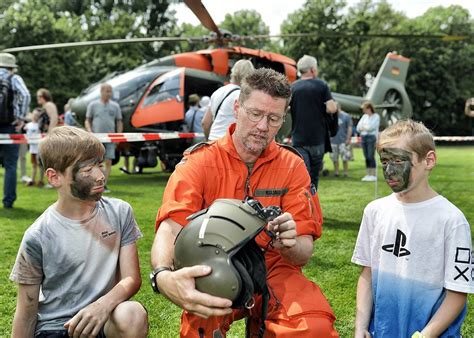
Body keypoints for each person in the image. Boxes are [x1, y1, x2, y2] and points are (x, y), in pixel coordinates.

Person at [151, 68, 338, 337]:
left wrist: (289, 242)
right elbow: (170, 227)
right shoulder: (200, 162)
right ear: (237, 108)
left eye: (273, 118)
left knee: (314, 327)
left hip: (276, 266)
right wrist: (162, 276)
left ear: (283, 119)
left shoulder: (293, 165)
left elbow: (304, 251)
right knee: (200, 329)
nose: (263, 127)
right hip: (214, 266)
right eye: (255, 114)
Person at [10, 126, 148, 337]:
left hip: (102, 321)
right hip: (56, 329)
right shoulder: (37, 236)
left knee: (132, 313)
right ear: (54, 177)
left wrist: (102, 306)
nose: (100, 176)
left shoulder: (120, 212)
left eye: (99, 166)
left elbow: (131, 279)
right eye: (87, 170)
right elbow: (26, 312)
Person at [352, 120, 474, 338]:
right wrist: (360, 327)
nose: (389, 170)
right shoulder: (375, 211)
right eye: (385, 161)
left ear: (429, 160)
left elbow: (457, 294)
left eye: (398, 160)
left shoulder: (452, 221)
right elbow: (367, 275)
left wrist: (425, 335)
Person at [290, 55, 337, 191]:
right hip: (317, 139)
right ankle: (312, 205)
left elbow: (285, 108)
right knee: (314, 176)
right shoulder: (321, 85)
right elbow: (332, 108)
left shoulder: (293, 87)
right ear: (312, 70)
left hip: (298, 139)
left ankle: (302, 205)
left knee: (303, 176)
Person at [0, 52, 31, 209]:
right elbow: (25, 95)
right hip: (8, 125)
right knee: (11, 165)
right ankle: (8, 201)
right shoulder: (13, 78)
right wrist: (20, 118)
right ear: (11, 67)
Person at [201, 59, 254, 140]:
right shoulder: (243, 96)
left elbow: (205, 123)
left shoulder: (217, 92)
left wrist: (208, 140)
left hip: (213, 142)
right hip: (229, 144)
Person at [85, 83, 123, 192]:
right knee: (95, 162)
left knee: (108, 161)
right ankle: (94, 183)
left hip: (111, 138)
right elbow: (88, 120)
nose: (109, 93)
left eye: (110, 91)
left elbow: (119, 121)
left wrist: (118, 136)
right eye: (107, 91)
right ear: (101, 92)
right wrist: (90, 132)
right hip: (96, 139)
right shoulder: (93, 105)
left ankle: (104, 184)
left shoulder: (115, 106)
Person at [36, 88, 59, 188]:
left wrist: (50, 134)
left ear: (45, 96)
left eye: (40, 96)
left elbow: (54, 119)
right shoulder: (45, 106)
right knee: (42, 159)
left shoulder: (49, 105)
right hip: (44, 135)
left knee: (49, 159)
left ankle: (52, 182)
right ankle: (46, 181)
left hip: (48, 136)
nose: (38, 98)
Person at [356, 101, 380, 182]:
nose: (363, 111)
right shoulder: (364, 116)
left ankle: (373, 175)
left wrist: (364, 127)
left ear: (369, 108)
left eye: (365, 109)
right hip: (363, 137)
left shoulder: (376, 116)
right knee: (366, 157)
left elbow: (372, 127)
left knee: (370, 156)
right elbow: (358, 127)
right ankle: (368, 174)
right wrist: (365, 127)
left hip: (371, 137)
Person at [330, 103, 353, 177]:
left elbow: (349, 128)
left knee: (344, 158)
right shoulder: (331, 116)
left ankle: (345, 172)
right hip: (333, 141)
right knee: (334, 158)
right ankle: (336, 172)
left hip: (343, 140)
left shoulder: (346, 116)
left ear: (338, 107)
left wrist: (348, 138)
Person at [24, 108, 41, 186]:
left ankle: (40, 180)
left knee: (40, 164)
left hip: (39, 147)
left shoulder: (40, 125)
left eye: (37, 115)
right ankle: (32, 180)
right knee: (34, 164)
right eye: (34, 114)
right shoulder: (28, 125)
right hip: (32, 148)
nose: (35, 116)